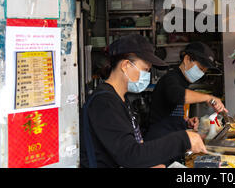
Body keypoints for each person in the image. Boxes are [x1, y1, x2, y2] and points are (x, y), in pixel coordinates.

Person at [80, 34, 207, 168]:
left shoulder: (121, 99)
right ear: (126, 65)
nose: (147, 75)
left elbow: (128, 148)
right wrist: (183, 140)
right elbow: (129, 155)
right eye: (145, 70)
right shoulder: (104, 102)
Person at [145, 42, 227, 144]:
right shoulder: (171, 78)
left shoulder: (182, 81)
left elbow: (169, 111)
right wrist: (209, 98)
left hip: (171, 140)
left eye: (204, 71)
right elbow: (177, 96)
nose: (201, 73)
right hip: (159, 142)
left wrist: (185, 122)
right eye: (200, 68)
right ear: (187, 59)